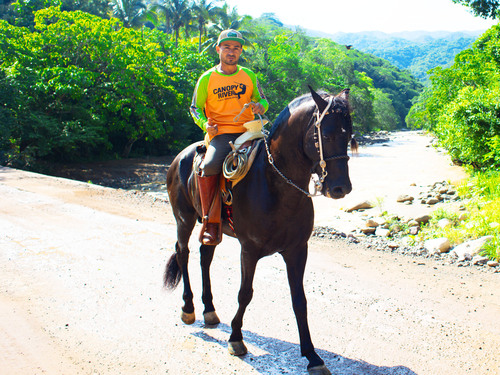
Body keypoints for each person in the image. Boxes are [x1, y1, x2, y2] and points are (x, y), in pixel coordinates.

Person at [190, 29, 269, 246]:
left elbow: (264, 101)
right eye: (227, 47)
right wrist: (205, 124)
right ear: (218, 50)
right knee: (209, 166)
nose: (231, 52)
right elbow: (194, 108)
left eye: (236, 48)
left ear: (241, 51)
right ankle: (210, 221)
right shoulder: (207, 78)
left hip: (250, 130)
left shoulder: (249, 75)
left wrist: (258, 106)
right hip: (223, 134)